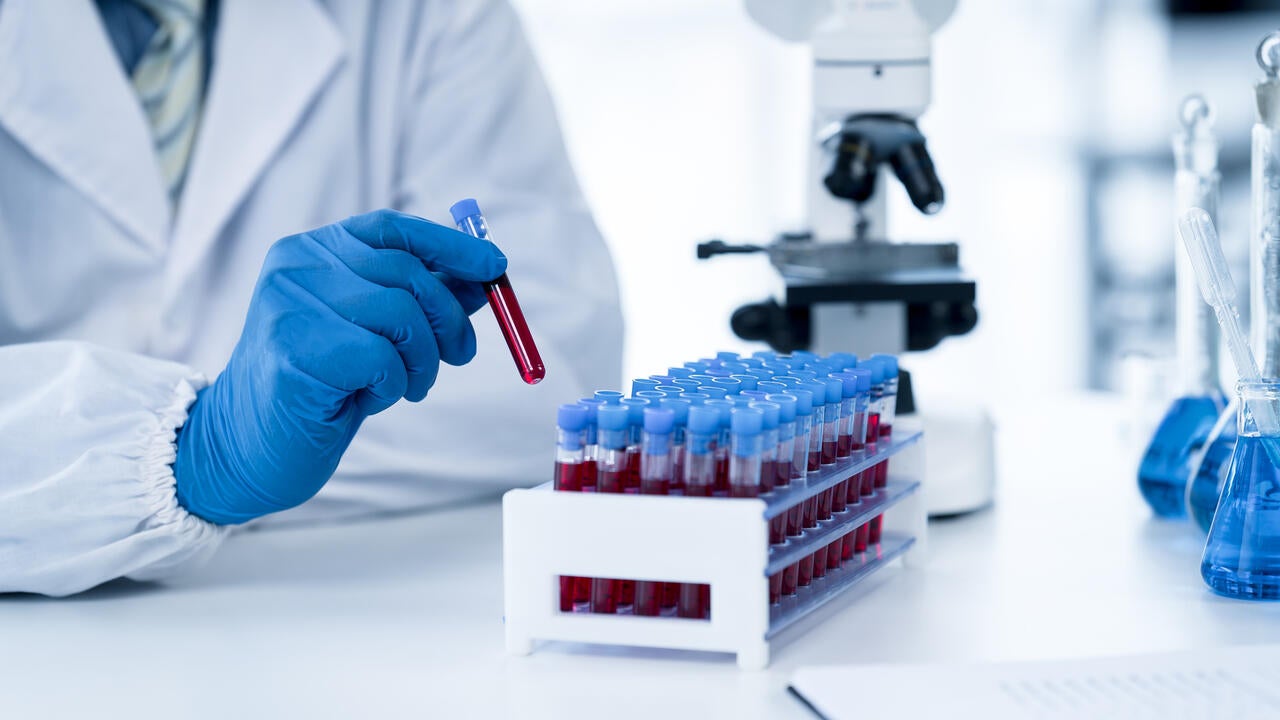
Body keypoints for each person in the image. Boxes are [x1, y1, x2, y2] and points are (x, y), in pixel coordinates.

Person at [0, 0, 622, 596]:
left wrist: (227, 449)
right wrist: (194, 449)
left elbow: (553, 383)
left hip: (327, 614)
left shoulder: (431, 14)